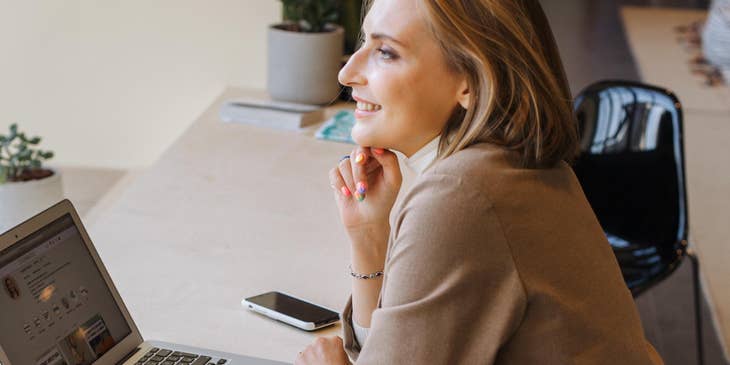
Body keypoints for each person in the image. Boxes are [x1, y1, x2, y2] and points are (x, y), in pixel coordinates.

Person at [297, 0, 664, 363]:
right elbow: (392, 349)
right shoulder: (506, 167)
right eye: (364, 41)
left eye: (386, 52)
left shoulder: (462, 195)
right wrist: (368, 236)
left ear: (470, 81)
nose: (347, 73)